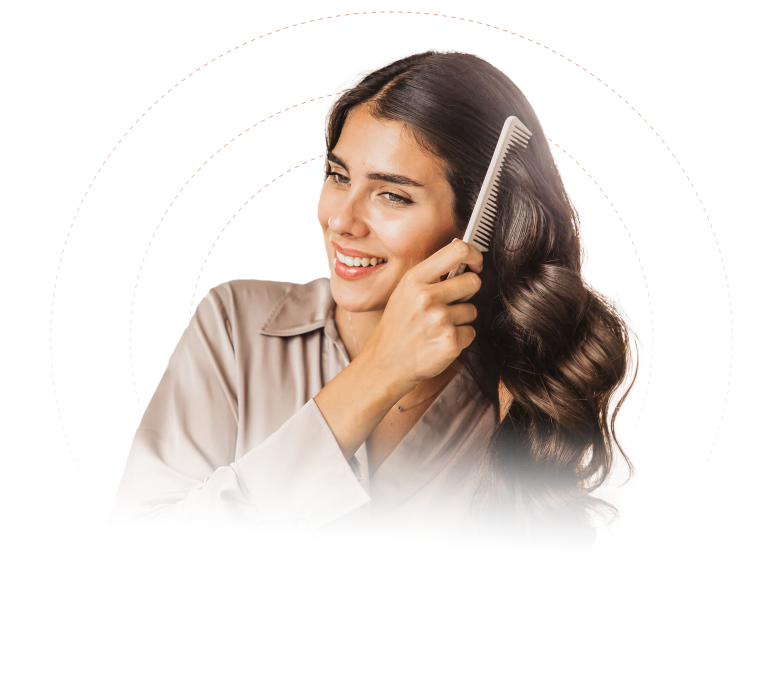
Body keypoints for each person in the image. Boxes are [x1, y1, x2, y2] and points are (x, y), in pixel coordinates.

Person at [108, 44, 642, 546]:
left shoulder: (540, 385)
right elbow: (145, 537)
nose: (339, 220)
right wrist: (379, 373)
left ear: (482, 222)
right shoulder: (234, 324)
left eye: (392, 194)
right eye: (337, 176)